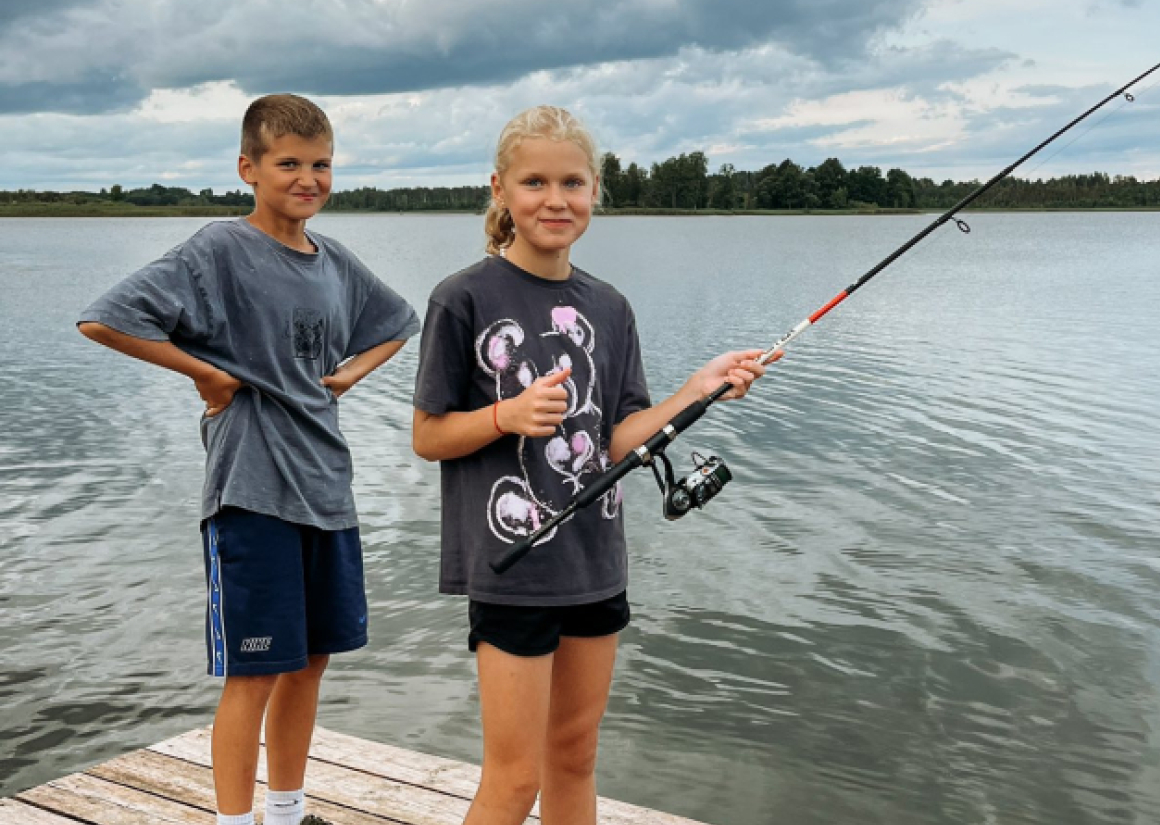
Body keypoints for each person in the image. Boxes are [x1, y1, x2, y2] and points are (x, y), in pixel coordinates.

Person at [411, 105, 776, 825]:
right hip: (514, 568)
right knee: (514, 779)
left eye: (572, 183)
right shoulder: (462, 298)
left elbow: (618, 441)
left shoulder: (610, 307)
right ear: (500, 189)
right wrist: (504, 416)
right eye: (535, 182)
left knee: (574, 758)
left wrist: (696, 389)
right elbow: (427, 436)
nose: (555, 200)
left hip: (595, 564)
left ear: (595, 191)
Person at [77, 94, 420, 825]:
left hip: (327, 490)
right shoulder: (219, 250)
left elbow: (399, 321)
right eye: (289, 163)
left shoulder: (335, 262)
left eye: (321, 164)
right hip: (252, 491)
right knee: (256, 670)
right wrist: (204, 374)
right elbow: (105, 318)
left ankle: (288, 814)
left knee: (310, 662)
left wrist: (348, 376)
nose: (308, 179)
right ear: (248, 168)